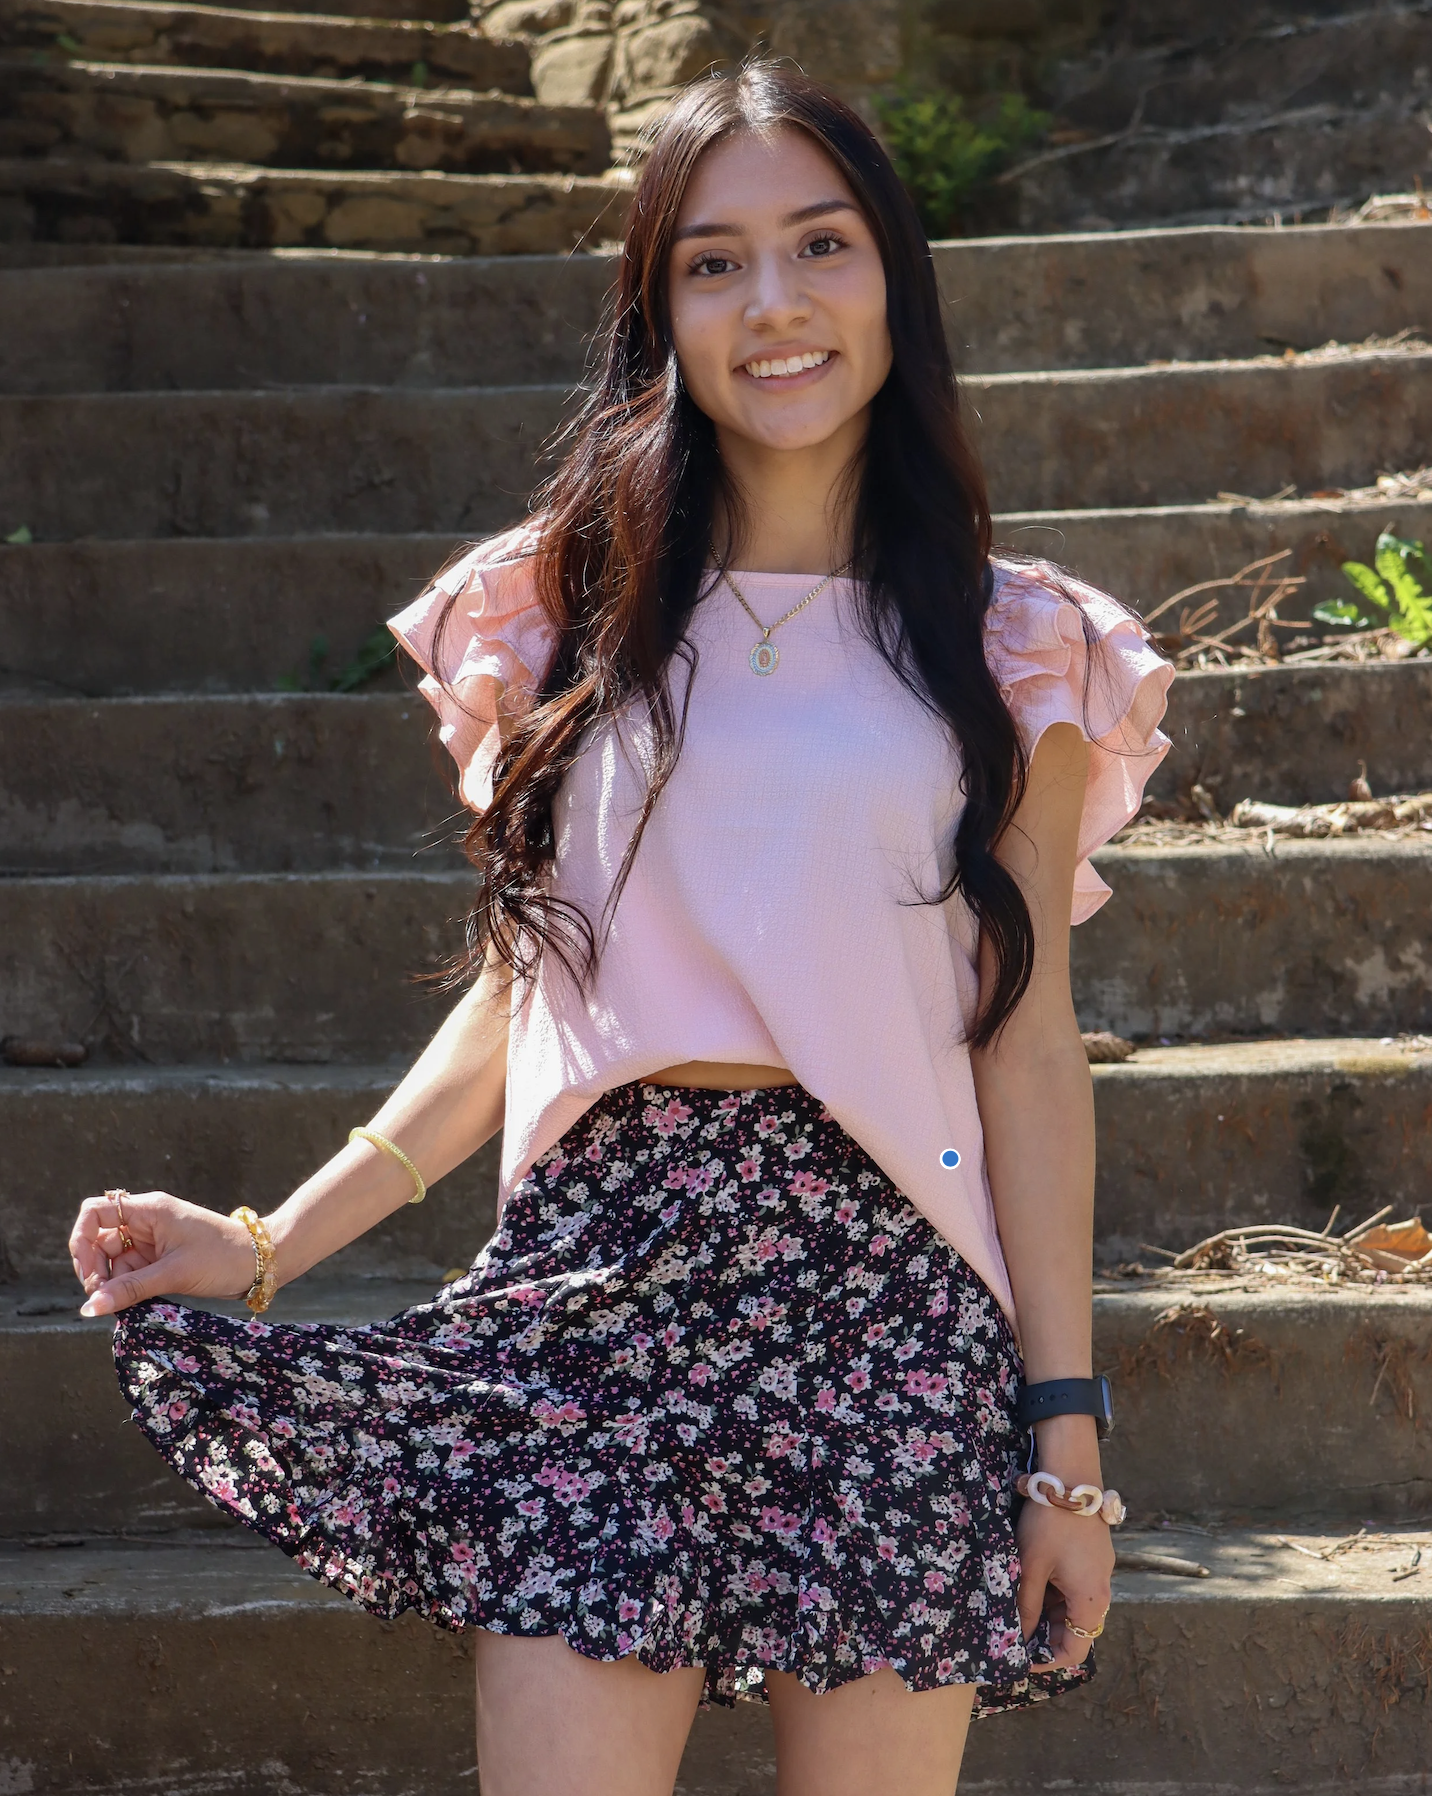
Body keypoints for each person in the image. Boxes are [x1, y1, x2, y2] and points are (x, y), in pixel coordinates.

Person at [67, 63, 1174, 1796]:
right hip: (596, 1289)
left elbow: (1024, 1046)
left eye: (822, 244)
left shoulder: (1018, 647)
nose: (778, 304)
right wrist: (273, 1240)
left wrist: (1066, 1439)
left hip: (886, 1298)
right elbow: (533, 993)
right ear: (659, 308)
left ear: (896, 274)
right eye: (715, 263)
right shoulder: (554, 613)